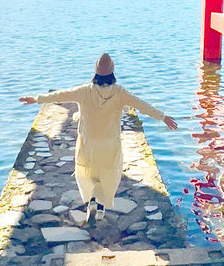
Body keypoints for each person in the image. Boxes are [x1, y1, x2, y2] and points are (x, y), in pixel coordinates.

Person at [19, 53, 177, 223]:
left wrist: (36, 99)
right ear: (112, 73)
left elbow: (60, 95)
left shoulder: (85, 91)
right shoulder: (119, 92)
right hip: (110, 142)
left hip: (88, 141)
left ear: (95, 72)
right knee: (108, 174)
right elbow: (141, 104)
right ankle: (100, 205)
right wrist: (163, 117)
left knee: (87, 173)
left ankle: (93, 201)